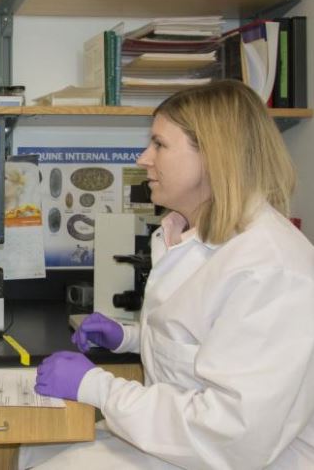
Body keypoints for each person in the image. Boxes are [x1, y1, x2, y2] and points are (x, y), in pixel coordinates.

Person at [22, 79, 314, 469]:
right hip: (184, 437)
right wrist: (130, 337)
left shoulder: (272, 269)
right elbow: (206, 341)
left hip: (235, 455)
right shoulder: (185, 233)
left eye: (160, 144)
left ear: (214, 155)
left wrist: (97, 386)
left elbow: (233, 435)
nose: (143, 158)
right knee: (35, 447)